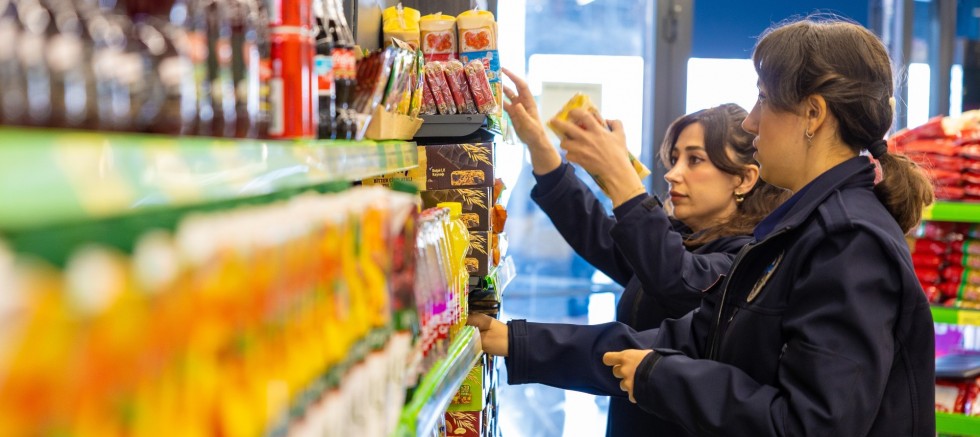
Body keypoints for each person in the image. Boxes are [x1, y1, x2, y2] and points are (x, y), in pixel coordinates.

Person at [473, 16, 936, 436]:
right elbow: (687, 337)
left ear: (813, 114)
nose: (752, 121)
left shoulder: (847, 240)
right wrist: (514, 340)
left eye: (764, 98)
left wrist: (661, 375)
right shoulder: (793, 233)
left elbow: (812, 424)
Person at [502, 69, 788, 435]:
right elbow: (597, 232)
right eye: (674, 158)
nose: (672, 174)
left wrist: (620, 175)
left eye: (694, 160)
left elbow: (676, 279)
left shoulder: (748, 258)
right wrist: (538, 142)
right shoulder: (686, 239)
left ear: (744, 179)